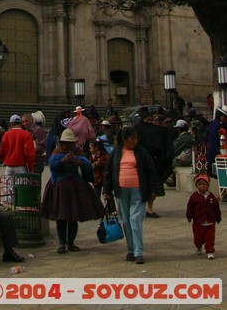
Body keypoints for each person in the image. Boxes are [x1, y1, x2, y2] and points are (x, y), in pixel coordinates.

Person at [41, 127, 104, 253]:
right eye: (66, 144)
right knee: (61, 217)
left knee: (73, 217)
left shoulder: (78, 153)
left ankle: (71, 242)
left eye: (71, 144)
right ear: (62, 143)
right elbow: (52, 166)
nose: (68, 146)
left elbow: (87, 167)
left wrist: (79, 162)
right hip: (59, 188)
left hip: (76, 187)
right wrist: (63, 161)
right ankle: (61, 243)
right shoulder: (56, 153)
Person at [103, 125, 158, 264]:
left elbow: (150, 171)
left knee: (135, 220)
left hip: (138, 190)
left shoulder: (141, 153)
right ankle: (131, 250)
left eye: (136, 138)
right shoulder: (116, 153)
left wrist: (153, 189)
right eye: (132, 138)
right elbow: (109, 172)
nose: (135, 141)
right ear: (125, 139)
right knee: (126, 221)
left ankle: (139, 252)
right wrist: (107, 191)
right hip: (121, 190)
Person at [133, 108, 173, 217]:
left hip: (153, 162)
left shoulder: (156, 131)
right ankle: (141, 208)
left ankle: (149, 209)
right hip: (139, 162)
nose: (149, 123)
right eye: (147, 120)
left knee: (152, 185)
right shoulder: (136, 130)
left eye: (151, 120)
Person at [186, 173, 221, 259]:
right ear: (196, 186)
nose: (201, 186)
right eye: (199, 184)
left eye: (203, 184)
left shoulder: (212, 197)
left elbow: (216, 208)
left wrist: (218, 217)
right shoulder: (194, 197)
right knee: (198, 238)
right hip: (198, 222)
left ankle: (210, 251)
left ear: (208, 185)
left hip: (210, 221)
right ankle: (198, 246)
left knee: (210, 237)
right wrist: (189, 216)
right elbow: (190, 207)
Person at [206, 105, 227, 178]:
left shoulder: (212, 124)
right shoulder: (219, 126)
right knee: (219, 173)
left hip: (211, 149)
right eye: (224, 116)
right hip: (216, 150)